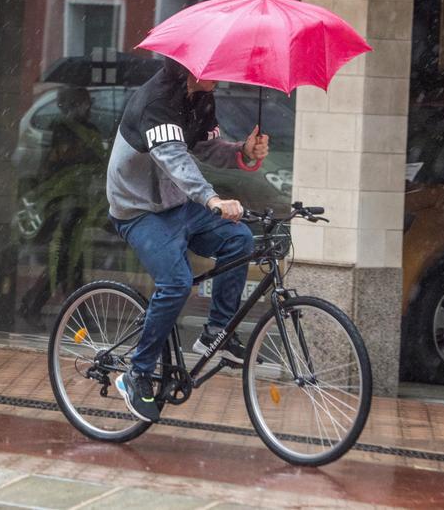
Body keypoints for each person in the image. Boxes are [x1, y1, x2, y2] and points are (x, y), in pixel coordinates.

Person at [106, 59, 269, 422]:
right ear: (194, 69)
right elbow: (175, 159)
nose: (223, 75)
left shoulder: (201, 97)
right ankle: (138, 373)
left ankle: (216, 333)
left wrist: (242, 151)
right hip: (139, 211)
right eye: (216, 68)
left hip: (177, 204)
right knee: (176, 282)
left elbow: (202, 148)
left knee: (239, 241)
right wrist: (211, 199)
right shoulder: (157, 102)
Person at [17, 86, 107, 327]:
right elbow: (60, 161)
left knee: (68, 263)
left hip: (80, 203)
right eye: (83, 103)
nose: (88, 108)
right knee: (68, 262)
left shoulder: (89, 130)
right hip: (65, 204)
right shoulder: (63, 129)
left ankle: (36, 304)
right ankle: (76, 315)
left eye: (88, 103)